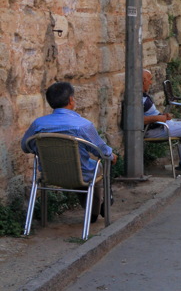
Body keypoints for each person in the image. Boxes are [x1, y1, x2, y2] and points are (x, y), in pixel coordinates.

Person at [21, 81, 116, 222]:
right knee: (98, 166)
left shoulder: (38, 124)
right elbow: (102, 152)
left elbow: (25, 146)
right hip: (80, 174)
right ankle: (98, 207)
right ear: (71, 100)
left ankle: (95, 208)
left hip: (50, 174)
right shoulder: (83, 125)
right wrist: (112, 155)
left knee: (87, 167)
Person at [142, 69, 181, 173]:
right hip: (153, 130)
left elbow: (151, 114)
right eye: (149, 79)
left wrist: (163, 115)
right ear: (143, 81)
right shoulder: (136, 99)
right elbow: (137, 121)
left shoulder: (144, 96)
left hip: (162, 124)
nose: (151, 82)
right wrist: (158, 118)